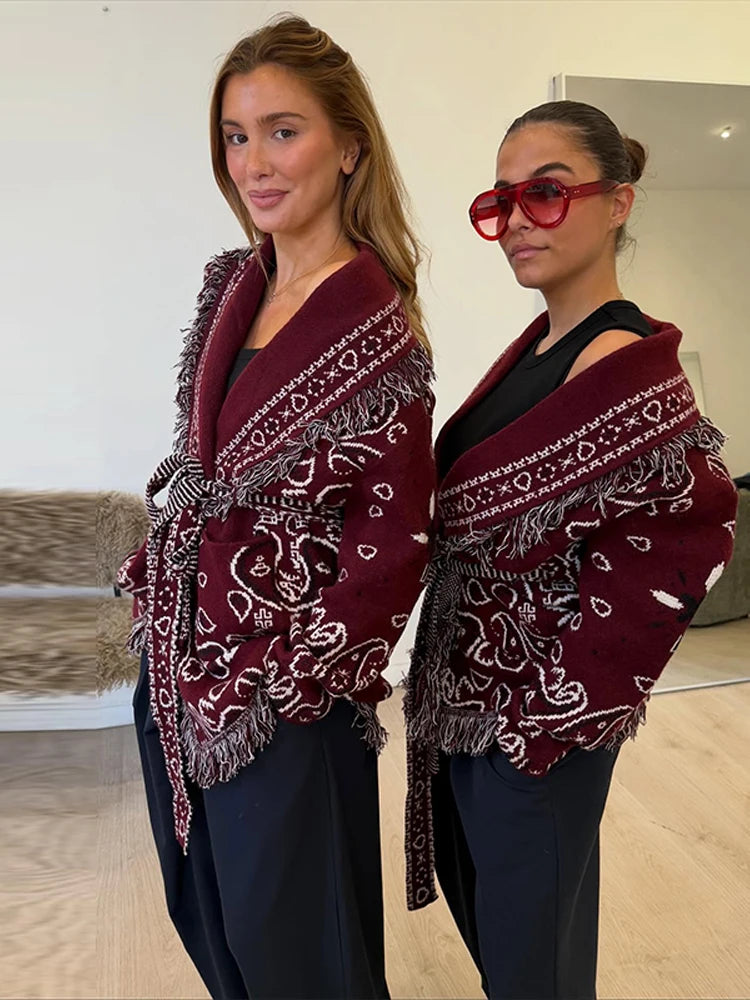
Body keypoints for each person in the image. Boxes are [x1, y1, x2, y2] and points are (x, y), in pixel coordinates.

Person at [117, 15, 435, 1000]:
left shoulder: (376, 327)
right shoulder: (236, 288)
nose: (254, 162)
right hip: (178, 661)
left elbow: (391, 549)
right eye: (235, 135)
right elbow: (203, 465)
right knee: (209, 911)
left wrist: (287, 687)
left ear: (350, 146)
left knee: (300, 948)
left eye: (283, 130)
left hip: (278, 700)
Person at [404, 100, 737, 1000]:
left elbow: (693, 532)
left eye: (545, 194)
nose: (516, 221)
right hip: (475, 704)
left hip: (535, 723)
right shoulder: (542, 345)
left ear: (617, 203)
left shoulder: (620, 357)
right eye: (501, 201)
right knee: (514, 933)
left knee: (533, 957)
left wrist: (556, 707)